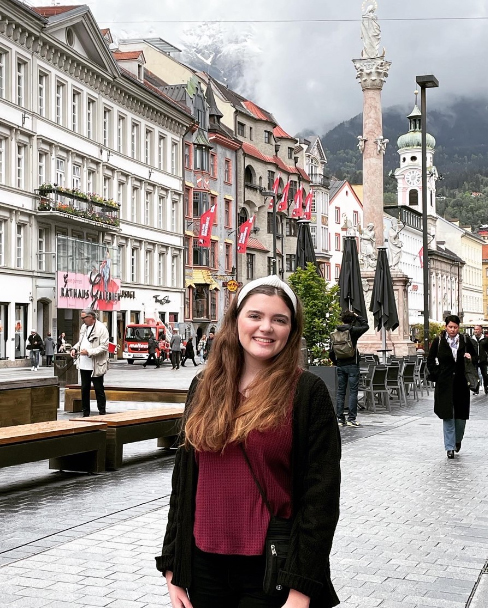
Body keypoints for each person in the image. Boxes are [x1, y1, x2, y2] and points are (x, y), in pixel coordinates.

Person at [156, 275, 341, 608]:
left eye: (279, 320)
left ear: (291, 329)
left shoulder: (307, 393)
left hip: (271, 567)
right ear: (236, 320)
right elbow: (184, 484)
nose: (265, 327)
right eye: (255, 316)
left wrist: (301, 589)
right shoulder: (204, 385)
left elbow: (321, 500)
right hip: (203, 565)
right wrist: (173, 566)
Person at [427, 315, 477, 459]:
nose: (452, 330)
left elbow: (478, 358)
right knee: (448, 415)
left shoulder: (466, 341)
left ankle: (457, 440)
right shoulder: (439, 341)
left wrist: (470, 358)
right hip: (445, 384)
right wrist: (438, 375)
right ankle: (449, 447)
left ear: (458, 328)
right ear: (446, 327)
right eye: (450, 327)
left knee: (460, 418)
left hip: (462, 383)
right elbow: (430, 361)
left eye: (455, 327)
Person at [329, 310, 369, 427]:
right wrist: (357, 316)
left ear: (342, 320)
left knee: (341, 392)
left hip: (340, 365)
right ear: (352, 321)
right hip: (352, 365)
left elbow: (332, 352)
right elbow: (365, 325)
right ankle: (351, 419)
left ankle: (340, 418)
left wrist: (337, 362)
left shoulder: (336, 332)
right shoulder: (353, 331)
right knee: (353, 392)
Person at [70, 308, 109, 417]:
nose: (82, 320)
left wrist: (89, 352)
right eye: (81, 318)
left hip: (95, 364)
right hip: (84, 363)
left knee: (99, 389)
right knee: (84, 389)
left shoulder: (101, 328)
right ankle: (85, 413)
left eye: (84, 318)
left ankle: (102, 413)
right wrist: (74, 349)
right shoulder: (84, 327)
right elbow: (81, 341)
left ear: (91, 317)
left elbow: (104, 347)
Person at [470, 325, 488, 395]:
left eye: (477, 329)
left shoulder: (485, 339)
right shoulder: (471, 339)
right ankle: (476, 389)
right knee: (475, 375)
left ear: (481, 330)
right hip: (474, 360)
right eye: (475, 329)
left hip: (483, 360)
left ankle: (486, 387)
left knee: (485, 375)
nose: (475, 331)